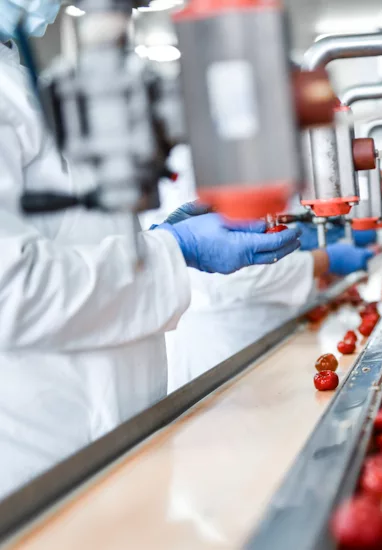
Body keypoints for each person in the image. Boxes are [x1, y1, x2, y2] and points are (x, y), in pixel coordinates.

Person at [0, 1, 311, 497]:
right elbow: (12, 292)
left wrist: (157, 240)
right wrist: (173, 250)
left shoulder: (17, 75)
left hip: (114, 428)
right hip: (47, 452)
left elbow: (62, 234)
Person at [144, 147, 375, 391]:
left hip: (275, 331)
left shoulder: (268, 151)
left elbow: (276, 219)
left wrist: (312, 233)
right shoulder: (208, 161)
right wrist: (323, 260)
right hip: (226, 345)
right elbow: (230, 278)